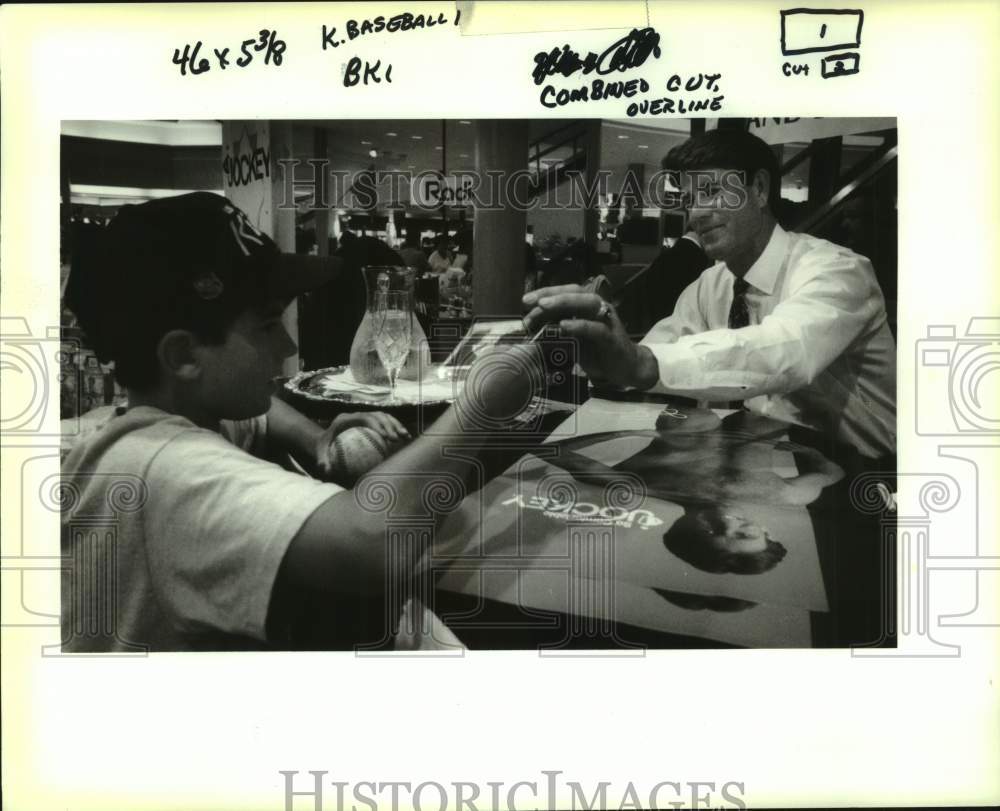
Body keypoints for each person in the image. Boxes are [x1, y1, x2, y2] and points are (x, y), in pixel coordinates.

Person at [60, 192, 539, 652]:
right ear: (184, 355)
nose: (286, 349)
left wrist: (315, 440)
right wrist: (481, 407)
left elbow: (263, 412)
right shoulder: (164, 470)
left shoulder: (184, 415)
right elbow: (371, 542)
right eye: (268, 325)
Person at [523, 129, 896, 460]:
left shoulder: (837, 270)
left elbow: (786, 351)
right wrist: (603, 357)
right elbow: (655, 354)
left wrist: (642, 364)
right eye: (688, 200)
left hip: (866, 474)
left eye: (712, 191)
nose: (696, 213)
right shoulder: (710, 285)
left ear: (760, 189)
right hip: (765, 465)